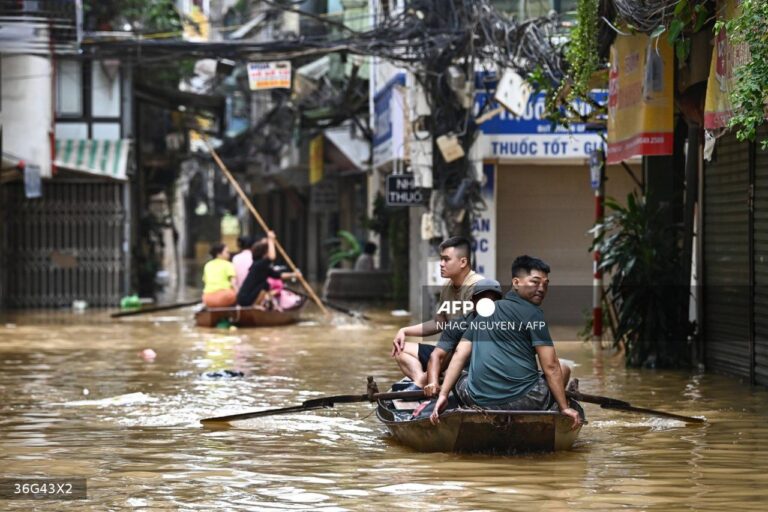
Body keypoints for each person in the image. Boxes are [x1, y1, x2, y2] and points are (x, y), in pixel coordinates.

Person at [430, 255, 581, 429]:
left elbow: (459, 354)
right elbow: (551, 367)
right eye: (535, 282)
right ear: (516, 283)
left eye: (546, 284)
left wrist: (443, 395)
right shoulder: (534, 314)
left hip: (478, 401)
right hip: (527, 401)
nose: (541, 288)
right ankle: (552, 411)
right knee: (563, 367)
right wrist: (564, 408)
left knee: (461, 376)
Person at [391, 236, 484, 387]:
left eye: (446, 259)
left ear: (463, 262)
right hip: (446, 351)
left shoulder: (477, 287)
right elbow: (439, 323)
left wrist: (436, 366)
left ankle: (427, 380)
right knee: (400, 350)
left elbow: (470, 338)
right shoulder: (448, 286)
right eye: (441, 259)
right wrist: (404, 330)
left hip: (468, 356)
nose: (441, 264)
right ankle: (422, 380)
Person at [422, 279, 504, 397]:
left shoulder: (508, 325)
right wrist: (433, 382)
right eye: (483, 300)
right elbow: (437, 356)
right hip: (466, 378)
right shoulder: (458, 325)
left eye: (493, 301)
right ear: (473, 301)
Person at [236, 231, 301, 307]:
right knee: (265, 285)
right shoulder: (259, 264)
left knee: (266, 285)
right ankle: (255, 306)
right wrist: (271, 240)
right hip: (245, 299)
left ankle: (257, 305)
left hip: (244, 299)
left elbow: (279, 275)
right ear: (264, 254)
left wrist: (295, 275)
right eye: (267, 251)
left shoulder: (262, 267)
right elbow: (272, 257)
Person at [202, 243, 237, 308]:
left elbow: (205, 281)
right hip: (225, 296)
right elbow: (233, 283)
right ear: (219, 254)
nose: (229, 254)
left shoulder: (207, 265)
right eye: (227, 252)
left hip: (207, 298)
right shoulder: (228, 264)